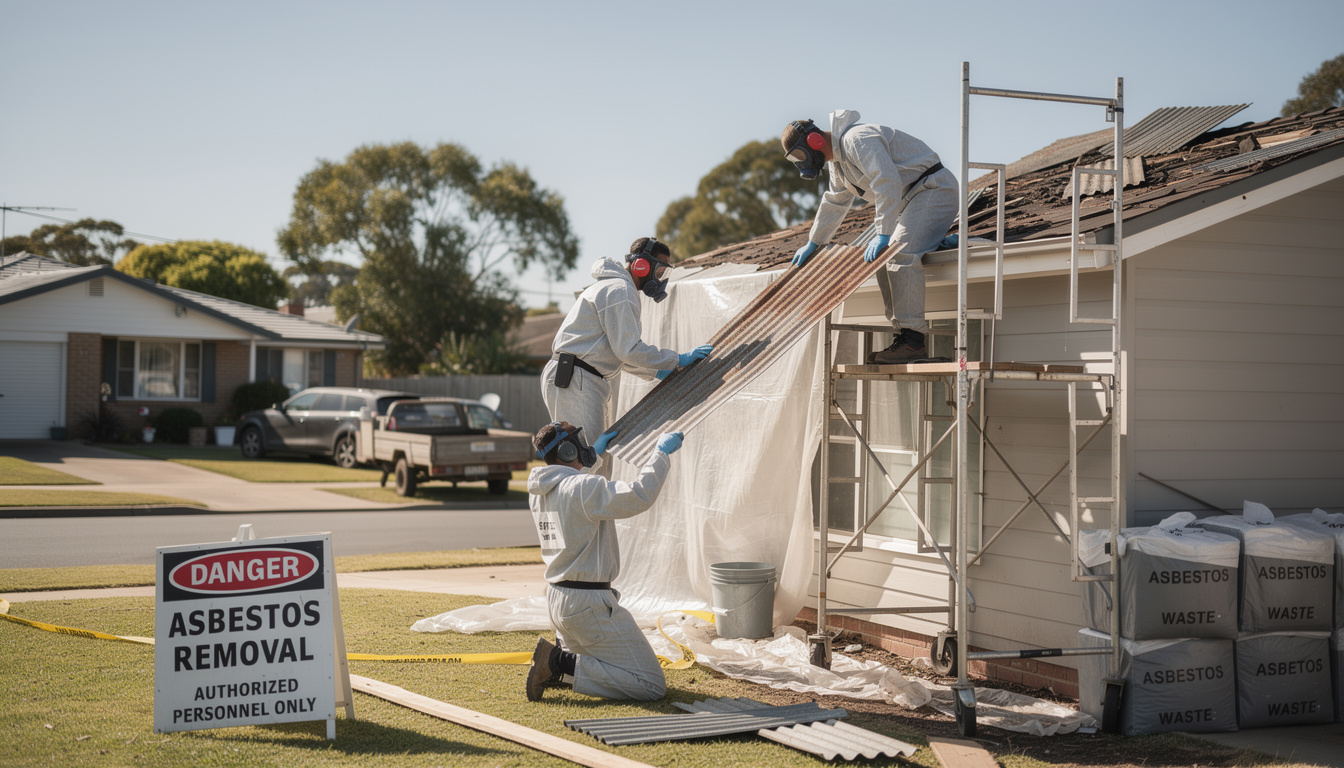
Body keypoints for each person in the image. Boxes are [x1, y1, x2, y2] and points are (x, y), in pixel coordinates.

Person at [524, 420, 684, 701]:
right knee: (650, 684)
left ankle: (560, 667)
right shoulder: (582, 488)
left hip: (559, 599)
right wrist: (660, 454)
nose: (585, 446)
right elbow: (638, 495)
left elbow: (574, 491)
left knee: (604, 666)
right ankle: (557, 663)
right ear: (568, 450)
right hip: (588, 606)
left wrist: (594, 458)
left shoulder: (541, 491)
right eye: (579, 442)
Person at [782, 110, 958, 364]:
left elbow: (887, 182)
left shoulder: (857, 139)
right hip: (911, 201)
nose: (801, 162)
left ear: (815, 141)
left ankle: (913, 342)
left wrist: (884, 232)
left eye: (800, 155)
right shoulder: (838, 164)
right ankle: (904, 336)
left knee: (900, 255)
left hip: (933, 189)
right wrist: (814, 241)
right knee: (883, 261)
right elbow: (835, 202)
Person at [542, 236, 711, 456]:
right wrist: (677, 359)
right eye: (659, 271)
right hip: (576, 378)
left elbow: (616, 351)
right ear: (641, 265)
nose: (660, 279)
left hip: (577, 376)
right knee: (582, 459)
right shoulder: (620, 291)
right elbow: (628, 350)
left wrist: (655, 371)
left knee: (593, 458)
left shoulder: (614, 287)